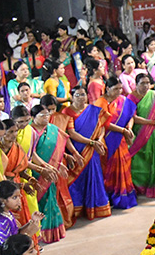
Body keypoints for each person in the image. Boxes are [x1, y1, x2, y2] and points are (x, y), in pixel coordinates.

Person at [28, 98, 73, 244]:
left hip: (50, 171)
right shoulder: (29, 131)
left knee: (50, 199)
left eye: (48, 115)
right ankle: (39, 233)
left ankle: (53, 231)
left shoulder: (52, 130)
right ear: (33, 117)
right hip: (34, 171)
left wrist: (59, 164)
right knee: (37, 201)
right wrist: (45, 168)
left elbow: (57, 151)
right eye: (42, 115)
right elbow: (30, 154)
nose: (46, 118)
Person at [64, 85, 110, 222]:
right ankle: (77, 209)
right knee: (77, 179)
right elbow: (71, 133)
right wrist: (91, 142)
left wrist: (99, 139)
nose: (81, 98)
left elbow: (101, 127)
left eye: (83, 94)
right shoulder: (67, 112)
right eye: (78, 95)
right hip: (77, 149)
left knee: (94, 176)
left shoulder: (93, 110)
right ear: (72, 97)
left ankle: (95, 207)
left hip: (93, 150)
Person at [126, 74, 155, 199]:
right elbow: (133, 117)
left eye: (147, 83)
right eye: (142, 83)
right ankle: (140, 186)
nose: (145, 86)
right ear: (136, 84)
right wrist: (152, 122)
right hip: (140, 132)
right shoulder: (131, 97)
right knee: (140, 160)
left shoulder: (154, 95)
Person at [100, 78, 136, 211]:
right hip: (108, 140)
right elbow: (104, 123)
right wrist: (123, 130)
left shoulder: (123, 101)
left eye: (120, 88)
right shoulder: (101, 102)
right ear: (107, 88)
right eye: (115, 89)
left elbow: (131, 115)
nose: (119, 92)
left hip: (121, 141)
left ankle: (124, 197)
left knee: (124, 164)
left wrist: (129, 128)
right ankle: (110, 197)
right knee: (110, 169)